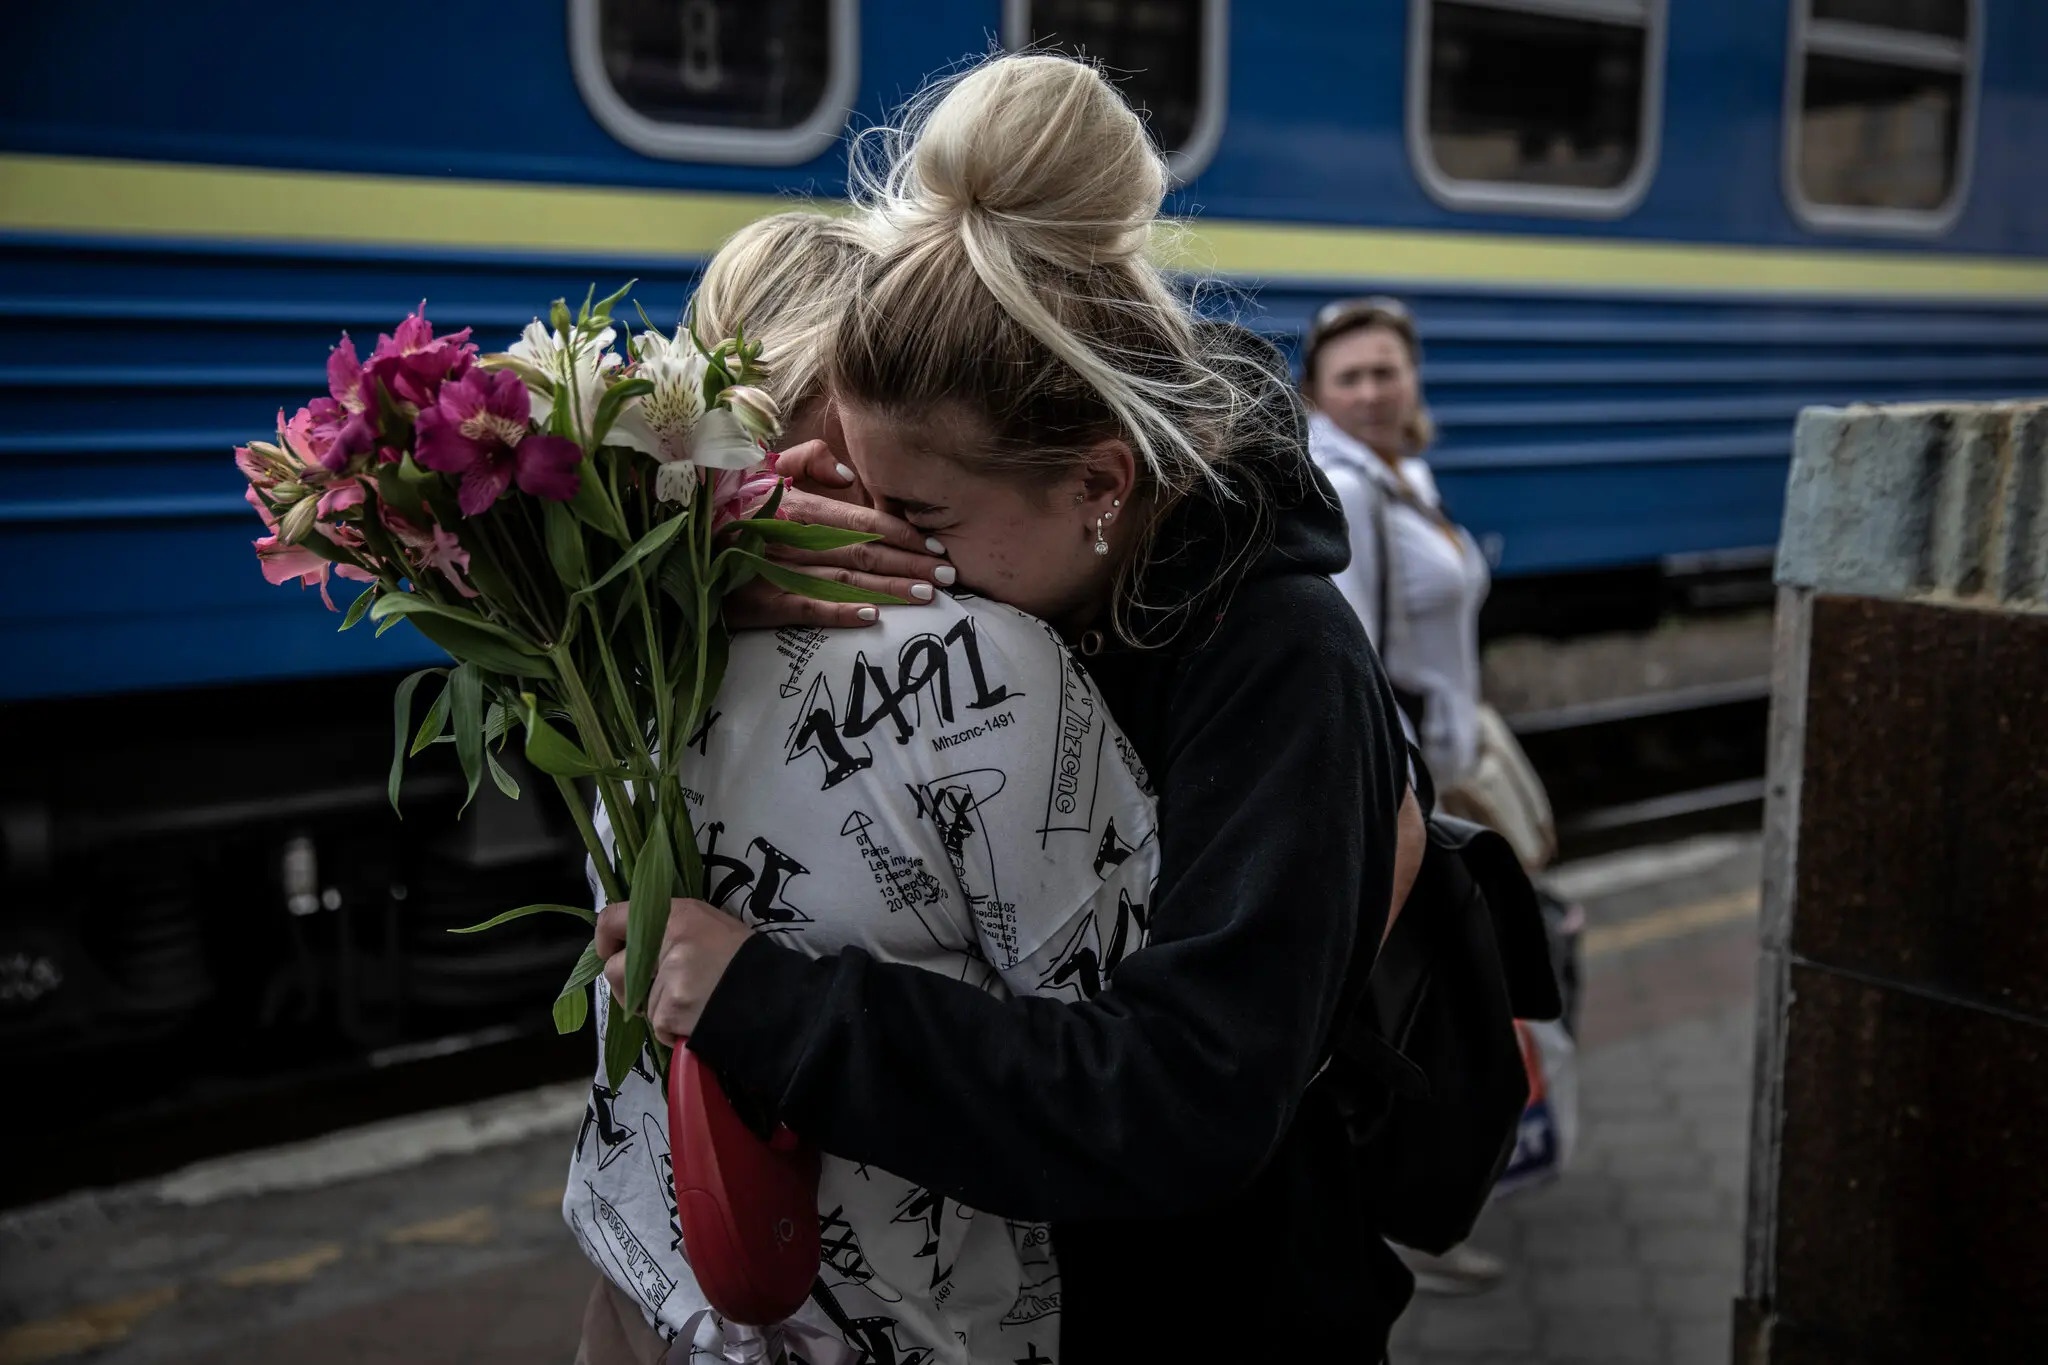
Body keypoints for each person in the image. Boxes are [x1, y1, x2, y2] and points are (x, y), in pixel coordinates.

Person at [595, 53, 1420, 1360]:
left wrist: (775, 1009)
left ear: (1097, 484)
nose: (882, 557)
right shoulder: (1055, 561)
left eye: (911, 519)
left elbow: (1184, 1097)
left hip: (1214, 1315)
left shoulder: (1278, 662)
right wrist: (700, 566)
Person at [567, 208, 1164, 1364]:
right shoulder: (993, 662)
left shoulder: (605, 636)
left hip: (648, 1288)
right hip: (910, 1330)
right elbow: (1114, 1068)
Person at [1302, 299, 1583, 1294]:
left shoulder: (1401, 476)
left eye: (1387, 371)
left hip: (1455, 766)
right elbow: (1356, 666)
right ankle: (1409, 1206)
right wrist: (1408, 794)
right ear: (1316, 393)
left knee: (1475, 986)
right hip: (1411, 794)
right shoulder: (1345, 489)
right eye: (1351, 377)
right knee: (1423, 1002)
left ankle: (1437, 1190)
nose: (1373, 391)